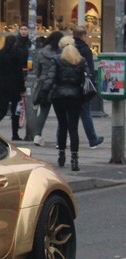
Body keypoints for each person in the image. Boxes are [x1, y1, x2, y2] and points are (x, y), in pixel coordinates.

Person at [41, 36, 87, 171]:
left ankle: (61, 154)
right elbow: (87, 78)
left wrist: (44, 93)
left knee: (62, 125)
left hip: (59, 96)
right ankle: (74, 159)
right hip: (75, 96)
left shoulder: (57, 60)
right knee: (73, 128)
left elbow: (51, 78)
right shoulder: (80, 61)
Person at [73, 26, 104, 148]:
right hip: (82, 86)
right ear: (83, 36)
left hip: (70, 85)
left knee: (68, 115)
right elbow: (90, 69)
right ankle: (92, 139)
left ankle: (63, 141)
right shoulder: (85, 50)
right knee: (85, 113)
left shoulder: (69, 48)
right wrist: (92, 83)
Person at [0, 35, 25, 141]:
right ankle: (15, 134)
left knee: (2, 110)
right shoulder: (17, 54)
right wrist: (22, 88)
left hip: (3, 86)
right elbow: (19, 73)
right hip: (15, 86)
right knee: (15, 112)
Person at [32, 31, 63, 146]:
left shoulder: (41, 52)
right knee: (61, 113)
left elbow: (37, 71)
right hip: (57, 84)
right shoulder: (61, 54)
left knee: (43, 112)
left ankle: (37, 136)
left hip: (44, 85)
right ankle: (60, 139)